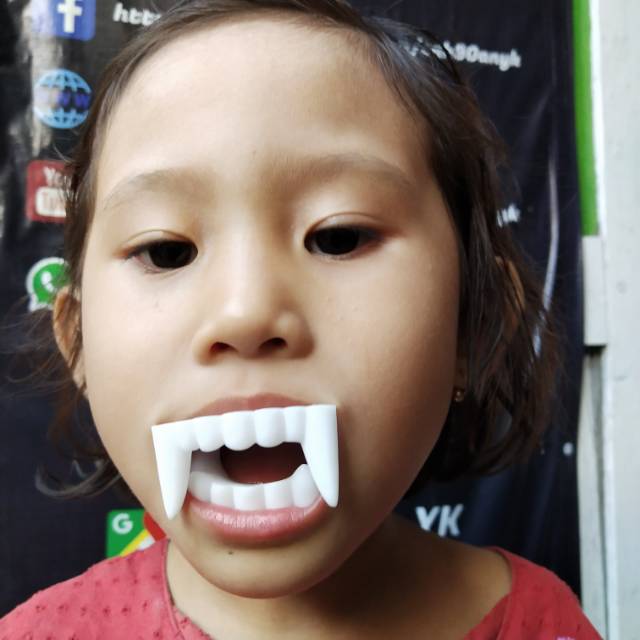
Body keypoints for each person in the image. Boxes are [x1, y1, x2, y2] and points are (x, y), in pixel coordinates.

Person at [0, 1, 601, 638]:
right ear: (79, 340)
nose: (246, 312)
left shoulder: (544, 624)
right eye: (166, 250)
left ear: (474, 323)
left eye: (339, 237)